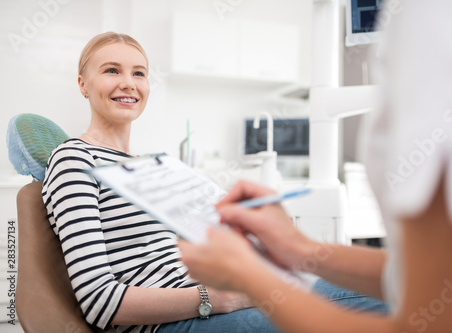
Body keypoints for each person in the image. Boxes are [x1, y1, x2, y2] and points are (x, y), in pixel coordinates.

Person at [178, 1, 452, 332]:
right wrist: (300, 249)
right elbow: (443, 279)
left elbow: (449, 320)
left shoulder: (443, 15)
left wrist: (250, 276)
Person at [42, 32, 386, 333]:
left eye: (139, 73)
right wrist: (215, 298)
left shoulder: (150, 168)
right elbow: (100, 302)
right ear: (83, 84)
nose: (129, 82)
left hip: (221, 293)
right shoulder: (75, 159)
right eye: (111, 70)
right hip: (178, 320)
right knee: (388, 302)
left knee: (380, 295)